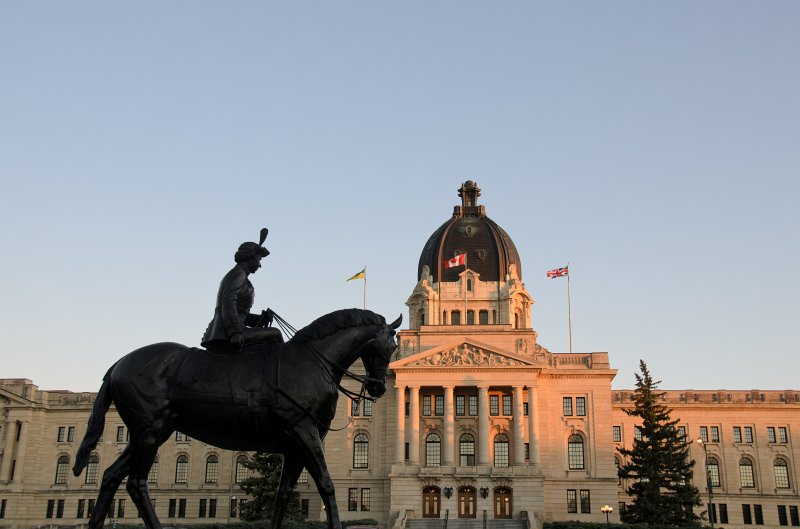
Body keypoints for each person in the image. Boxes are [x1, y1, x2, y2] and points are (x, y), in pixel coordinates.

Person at [201, 228, 283, 353]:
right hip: (226, 333)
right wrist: (234, 332)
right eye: (258, 260)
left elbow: (240, 314)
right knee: (275, 334)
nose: (260, 265)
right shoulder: (238, 274)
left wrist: (261, 319)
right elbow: (228, 303)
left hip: (232, 329)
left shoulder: (240, 276)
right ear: (250, 258)